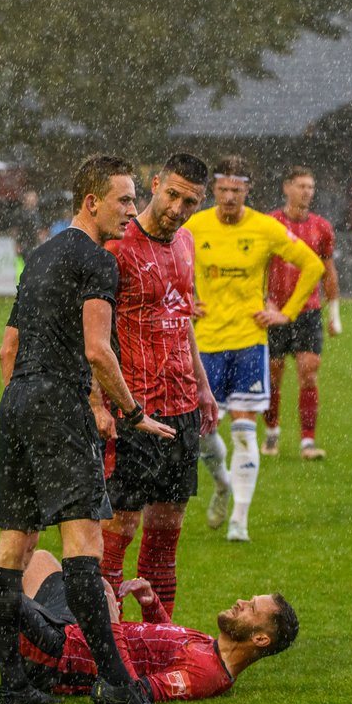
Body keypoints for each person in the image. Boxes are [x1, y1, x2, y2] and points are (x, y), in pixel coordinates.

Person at [0, 154, 176, 704]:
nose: (131, 209)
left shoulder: (41, 253)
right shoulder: (97, 260)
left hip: (16, 401)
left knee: (15, 543)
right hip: (56, 403)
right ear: (91, 202)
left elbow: (7, 349)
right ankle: (117, 685)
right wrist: (131, 411)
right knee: (84, 544)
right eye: (123, 199)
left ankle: (12, 684)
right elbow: (97, 350)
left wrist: (24, 403)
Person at [0, 550, 299, 704]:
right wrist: (150, 606)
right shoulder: (207, 647)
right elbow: (158, 644)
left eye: (251, 608)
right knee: (42, 561)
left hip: (60, 654)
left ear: (260, 638)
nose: (241, 601)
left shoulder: (208, 674)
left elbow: (130, 688)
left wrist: (107, 621)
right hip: (75, 632)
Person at [97, 153, 220, 618]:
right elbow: (92, 336)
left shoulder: (187, 241)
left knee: (167, 532)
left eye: (189, 201)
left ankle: (161, 636)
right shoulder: (117, 244)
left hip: (184, 403)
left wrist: (204, 388)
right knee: (119, 529)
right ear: (154, 185)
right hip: (135, 409)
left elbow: (182, 317)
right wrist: (99, 404)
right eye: (171, 195)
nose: (177, 208)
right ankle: (108, 641)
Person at [183, 156, 324, 542]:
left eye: (237, 190)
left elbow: (313, 265)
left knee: (245, 431)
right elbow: (170, 265)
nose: (229, 197)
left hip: (249, 342)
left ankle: (239, 520)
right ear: (213, 191)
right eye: (223, 189)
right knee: (202, 432)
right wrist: (184, 300)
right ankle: (223, 484)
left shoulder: (264, 227)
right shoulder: (194, 227)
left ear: (247, 191)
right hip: (206, 344)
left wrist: (287, 313)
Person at [262, 166, 343, 461]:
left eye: (310, 186)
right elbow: (257, 264)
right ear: (287, 188)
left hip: (307, 312)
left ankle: (308, 442)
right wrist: (262, 299)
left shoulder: (321, 227)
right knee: (273, 375)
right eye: (301, 186)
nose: (307, 191)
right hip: (274, 312)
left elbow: (328, 272)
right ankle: (272, 432)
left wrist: (334, 313)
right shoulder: (270, 223)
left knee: (308, 373)